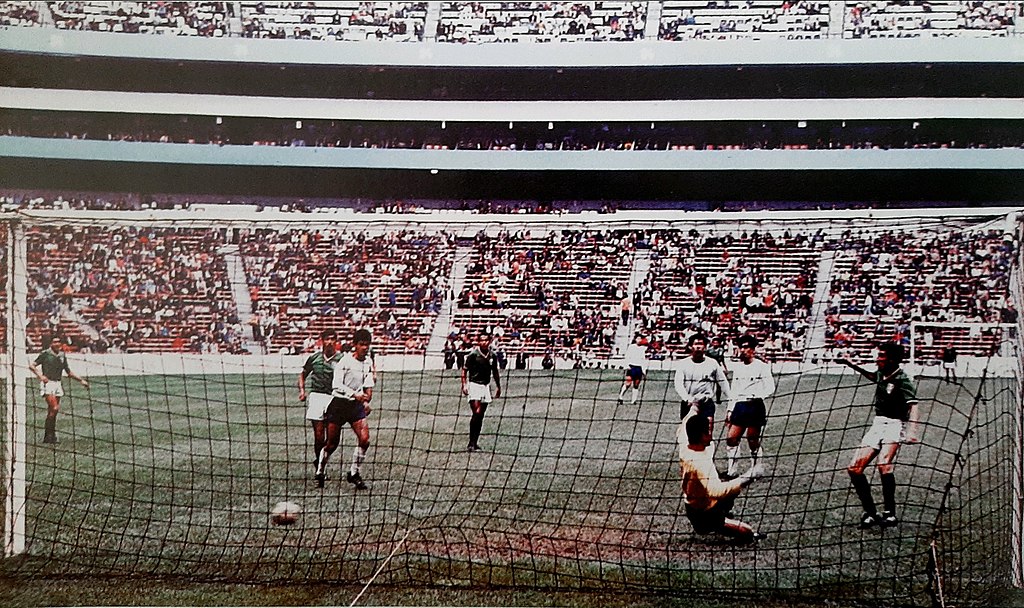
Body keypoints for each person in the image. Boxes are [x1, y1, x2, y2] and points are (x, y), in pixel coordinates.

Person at [838, 342, 920, 529]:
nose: (878, 359)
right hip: (878, 424)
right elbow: (869, 375)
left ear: (892, 359)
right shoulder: (882, 374)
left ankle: (890, 514)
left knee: (883, 464)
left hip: (895, 425)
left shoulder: (902, 379)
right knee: (854, 468)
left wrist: (912, 431)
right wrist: (850, 363)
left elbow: (914, 406)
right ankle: (871, 513)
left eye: (882, 356)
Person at [677, 405, 766, 543]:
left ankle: (723, 512)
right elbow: (716, 491)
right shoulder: (699, 464)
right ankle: (712, 523)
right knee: (746, 532)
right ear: (701, 435)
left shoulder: (686, 443)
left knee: (732, 488)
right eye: (708, 432)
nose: (710, 434)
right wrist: (748, 477)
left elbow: (684, 425)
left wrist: (694, 408)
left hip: (704, 501)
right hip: (702, 512)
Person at [315, 328, 375, 490]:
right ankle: (320, 471)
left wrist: (367, 396)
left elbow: (368, 381)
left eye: (367, 344)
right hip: (339, 405)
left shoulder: (368, 362)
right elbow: (336, 386)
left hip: (355, 407)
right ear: (354, 345)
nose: (365, 347)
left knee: (365, 440)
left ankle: (354, 473)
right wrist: (354, 394)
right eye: (362, 344)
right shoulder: (345, 361)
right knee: (332, 444)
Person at [724, 335, 776, 479]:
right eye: (741, 347)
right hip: (740, 406)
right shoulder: (738, 367)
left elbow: (770, 387)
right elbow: (734, 389)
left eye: (747, 347)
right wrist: (730, 409)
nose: (744, 350)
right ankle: (732, 471)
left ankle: (756, 468)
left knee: (752, 439)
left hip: (755, 406)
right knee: (731, 438)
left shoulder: (762, 366)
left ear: (753, 349)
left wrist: (757, 395)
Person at [298, 329, 342, 483]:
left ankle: (321, 463)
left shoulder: (342, 359)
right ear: (321, 341)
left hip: (334, 398)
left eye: (332, 339)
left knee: (332, 438)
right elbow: (303, 374)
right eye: (326, 339)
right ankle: (319, 465)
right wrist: (302, 391)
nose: (329, 342)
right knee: (318, 436)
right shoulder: (314, 358)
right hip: (316, 397)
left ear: (336, 341)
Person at [29, 335, 89, 444]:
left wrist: (81, 380)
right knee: (55, 408)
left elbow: (68, 372)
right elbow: (32, 366)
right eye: (55, 342)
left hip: (58, 384)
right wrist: (40, 376)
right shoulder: (45, 354)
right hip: (48, 384)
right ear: (51, 343)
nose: (57, 344)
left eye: (59, 342)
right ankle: (49, 435)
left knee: (52, 411)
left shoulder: (62, 355)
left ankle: (49, 436)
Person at [674, 333, 731, 435]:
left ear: (705, 347)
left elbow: (723, 382)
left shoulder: (712, 363)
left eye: (701, 344)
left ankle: (708, 450)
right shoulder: (683, 364)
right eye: (696, 344)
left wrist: (731, 401)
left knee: (707, 433)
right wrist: (687, 399)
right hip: (689, 403)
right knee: (687, 435)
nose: (699, 347)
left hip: (706, 403)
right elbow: (678, 384)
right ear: (690, 346)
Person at [461, 332, 502, 452]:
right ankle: (471, 443)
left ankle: (474, 442)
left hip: (486, 386)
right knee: (477, 413)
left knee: (481, 416)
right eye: (481, 340)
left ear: (489, 341)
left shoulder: (492, 356)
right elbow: (464, 370)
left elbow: (495, 372)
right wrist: (464, 385)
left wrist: (498, 387)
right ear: (478, 342)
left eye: (486, 340)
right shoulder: (473, 354)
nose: (484, 342)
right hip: (474, 385)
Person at [618, 335, 647, 405]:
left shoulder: (643, 348)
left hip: (638, 368)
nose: (639, 340)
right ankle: (620, 396)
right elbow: (627, 356)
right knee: (628, 383)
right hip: (632, 367)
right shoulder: (631, 347)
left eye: (640, 339)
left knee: (636, 384)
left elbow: (643, 360)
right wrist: (627, 365)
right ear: (635, 339)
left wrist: (644, 371)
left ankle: (633, 400)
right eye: (638, 339)